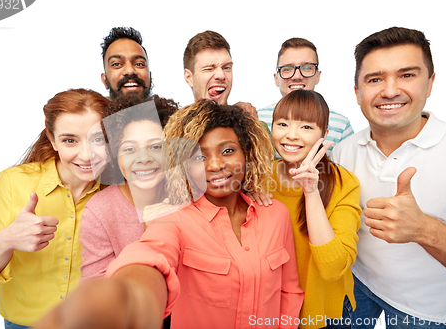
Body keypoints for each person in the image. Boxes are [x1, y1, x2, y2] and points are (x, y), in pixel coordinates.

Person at [34, 99, 304, 329]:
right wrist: (125, 298)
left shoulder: (275, 214)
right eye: (199, 157)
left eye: (228, 151)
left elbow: (289, 291)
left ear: (247, 154)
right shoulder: (174, 219)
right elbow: (150, 256)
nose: (216, 165)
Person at [332, 27, 446, 328]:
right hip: (357, 285)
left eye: (407, 75)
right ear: (357, 93)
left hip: (431, 311)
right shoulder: (342, 151)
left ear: (430, 83)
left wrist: (423, 228)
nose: (389, 91)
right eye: (375, 79)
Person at [0, 89, 109, 328]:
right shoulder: (11, 184)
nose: (86, 155)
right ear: (52, 139)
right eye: (70, 140)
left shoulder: (123, 193)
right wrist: (5, 241)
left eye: (98, 139)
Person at [267, 90, 361, 329]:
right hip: (273, 308)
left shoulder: (344, 182)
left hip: (324, 314)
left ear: (325, 134)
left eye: (306, 127)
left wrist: (310, 191)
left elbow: (332, 268)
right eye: (283, 123)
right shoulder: (259, 177)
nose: (291, 135)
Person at [79, 94, 179, 282]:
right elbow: (97, 291)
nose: (143, 158)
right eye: (129, 149)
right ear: (115, 154)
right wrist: (151, 235)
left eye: (156, 146)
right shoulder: (99, 212)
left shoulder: (188, 195)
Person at [258, 38, 353, 156]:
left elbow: (347, 172)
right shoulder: (256, 119)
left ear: (318, 76)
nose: (297, 76)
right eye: (287, 69)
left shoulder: (341, 125)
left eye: (307, 68)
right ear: (276, 78)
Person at [183, 30, 259, 118]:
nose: (221, 75)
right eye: (209, 69)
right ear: (189, 78)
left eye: (226, 68)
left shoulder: (249, 119)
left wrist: (251, 127)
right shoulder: (173, 129)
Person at [100, 27, 152, 99]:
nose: (130, 71)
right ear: (104, 79)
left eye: (139, 64)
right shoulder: (86, 109)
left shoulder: (168, 109)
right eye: (117, 64)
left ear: (150, 75)